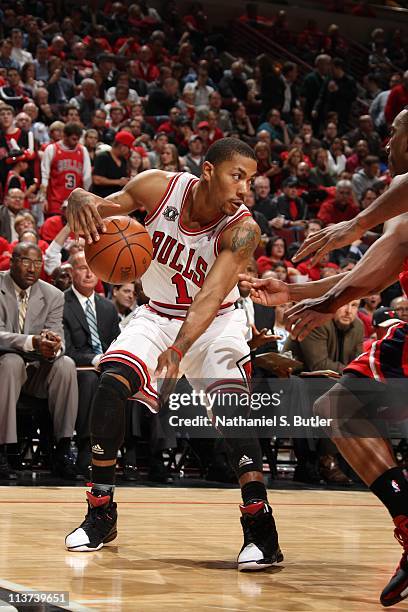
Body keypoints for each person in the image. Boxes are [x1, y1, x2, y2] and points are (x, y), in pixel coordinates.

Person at [64, 138, 282, 572]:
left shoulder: (243, 229)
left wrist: (178, 349)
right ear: (207, 171)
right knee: (110, 383)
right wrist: (77, 198)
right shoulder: (155, 188)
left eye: (251, 181)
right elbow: (97, 208)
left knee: (231, 408)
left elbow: (213, 293)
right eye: (237, 176)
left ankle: (260, 527)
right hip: (158, 311)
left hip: (216, 319)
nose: (245, 189)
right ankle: (101, 511)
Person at [238, 108, 408, 606]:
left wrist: (350, 226)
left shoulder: (399, 191)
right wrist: (296, 294)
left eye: (396, 129)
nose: (387, 138)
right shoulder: (399, 213)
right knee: (337, 406)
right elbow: (373, 274)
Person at [0, 242, 78, 479]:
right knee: (11, 361)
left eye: (37, 263)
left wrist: (53, 347)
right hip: (4, 369)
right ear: (12, 262)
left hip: (35, 372)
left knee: (66, 365)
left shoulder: (52, 294)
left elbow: (59, 338)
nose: (32, 268)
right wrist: (32, 341)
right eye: (26, 261)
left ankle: (63, 449)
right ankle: (4, 450)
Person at [63, 251, 121, 476]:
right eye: (81, 267)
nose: (88, 272)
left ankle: (133, 453)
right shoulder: (61, 301)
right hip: (76, 371)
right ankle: (87, 449)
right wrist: (96, 359)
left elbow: (117, 344)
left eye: (92, 267)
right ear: (71, 272)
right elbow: (66, 350)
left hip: (106, 368)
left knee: (126, 377)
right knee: (89, 379)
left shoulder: (107, 307)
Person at [39, 123, 92, 216]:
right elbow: (44, 175)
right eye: (74, 139)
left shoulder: (83, 150)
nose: (76, 142)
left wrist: (87, 200)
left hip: (76, 201)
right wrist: (43, 198)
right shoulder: (52, 149)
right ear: (64, 136)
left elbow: (87, 178)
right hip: (55, 200)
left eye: (78, 139)